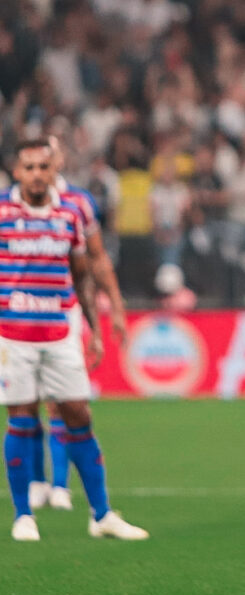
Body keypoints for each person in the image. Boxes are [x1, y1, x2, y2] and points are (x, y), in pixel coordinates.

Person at [1, 139, 147, 542]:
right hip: (13, 336)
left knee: (79, 415)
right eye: (28, 167)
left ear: (54, 171)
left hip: (60, 330)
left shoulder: (70, 213)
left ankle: (101, 514)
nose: (36, 174)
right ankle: (23, 515)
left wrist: (95, 327)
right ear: (17, 171)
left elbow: (82, 274)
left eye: (43, 167)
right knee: (22, 418)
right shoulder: (2, 212)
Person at [26, 135, 131, 514]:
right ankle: (37, 481)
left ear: (59, 159)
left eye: (50, 155)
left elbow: (98, 262)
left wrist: (114, 309)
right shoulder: (12, 203)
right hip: (20, 312)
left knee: (65, 403)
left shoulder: (78, 203)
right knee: (26, 400)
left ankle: (59, 486)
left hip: (64, 310)